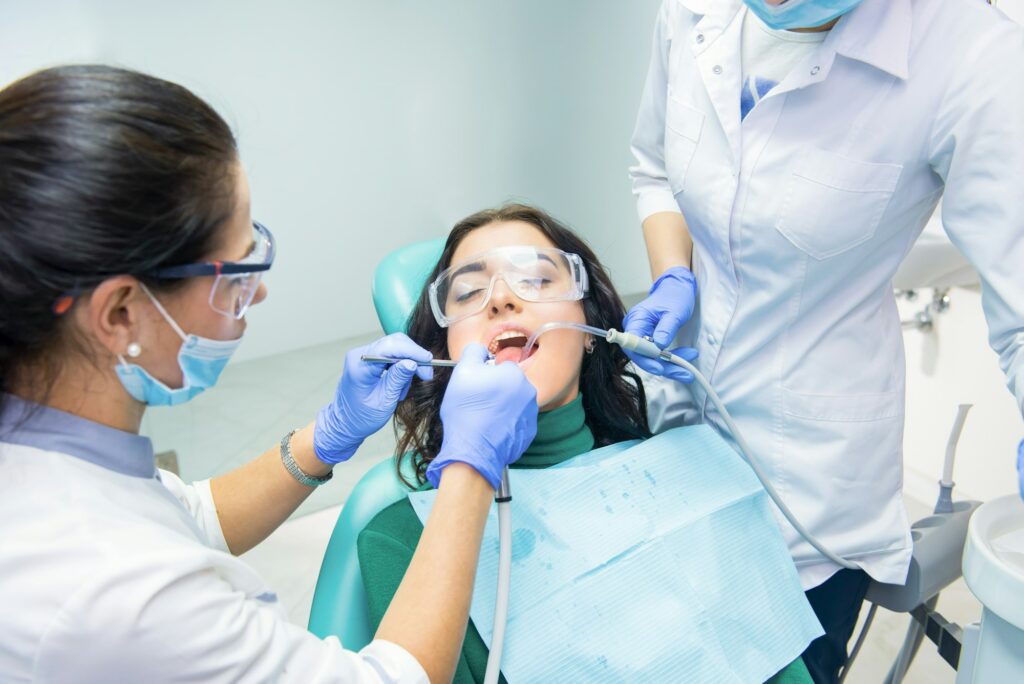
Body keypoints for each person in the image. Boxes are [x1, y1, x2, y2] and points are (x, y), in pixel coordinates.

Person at [0, 65, 541, 684]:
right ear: (121, 313)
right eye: (234, 273)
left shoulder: (47, 451)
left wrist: (327, 436)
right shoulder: (117, 594)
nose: (255, 295)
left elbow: (188, 517)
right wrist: (471, 467)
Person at [625, 0, 1024, 681]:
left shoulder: (969, 52)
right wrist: (672, 276)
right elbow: (653, 167)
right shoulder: (689, 12)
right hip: (678, 440)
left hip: (809, 489)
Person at [356, 203, 813, 683]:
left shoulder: (696, 477)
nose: (500, 299)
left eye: (535, 279)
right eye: (468, 292)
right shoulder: (402, 540)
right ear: (443, 350)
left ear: (592, 328)